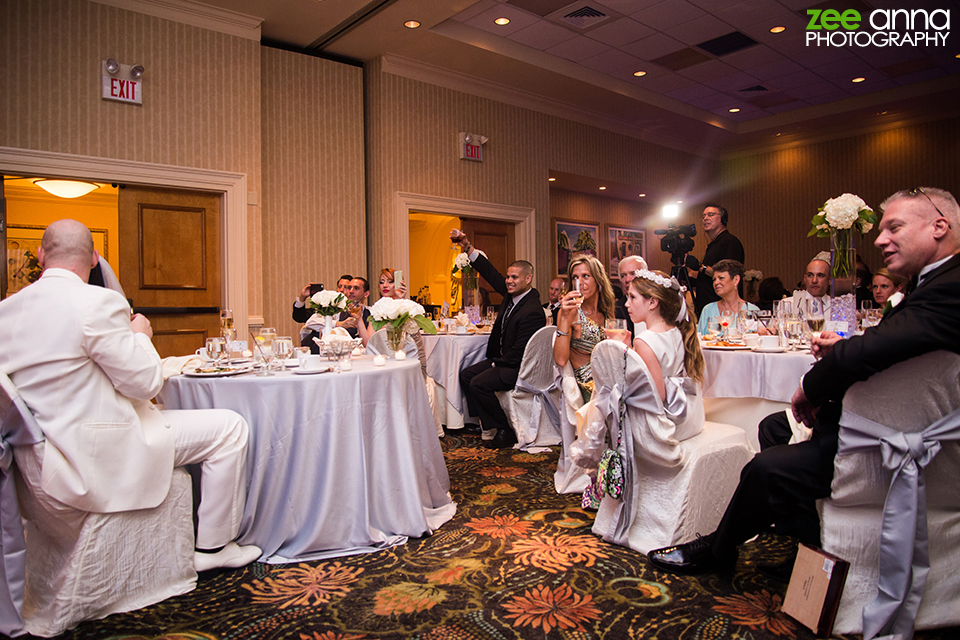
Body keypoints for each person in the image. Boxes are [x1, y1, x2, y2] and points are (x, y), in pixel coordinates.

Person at [647, 187, 960, 580]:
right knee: (774, 426)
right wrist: (845, 349)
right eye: (881, 230)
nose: (881, 240)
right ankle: (806, 543)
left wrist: (811, 387)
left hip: (898, 447)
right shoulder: (930, 282)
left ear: (939, 226)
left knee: (764, 468)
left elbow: (877, 350)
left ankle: (718, 549)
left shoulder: (950, 285)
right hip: (891, 421)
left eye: (894, 228)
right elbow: (896, 347)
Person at [0, 220, 261, 572]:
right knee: (230, 427)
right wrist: (140, 334)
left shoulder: (7, 310)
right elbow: (146, 384)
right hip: (96, 454)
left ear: (40, 254)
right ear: (94, 258)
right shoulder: (97, 303)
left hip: (38, 457)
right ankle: (215, 548)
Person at [452, 230, 546, 449]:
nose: (509, 281)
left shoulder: (532, 310)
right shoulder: (512, 295)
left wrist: (494, 364)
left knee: (478, 383)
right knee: (466, 375)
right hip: (503, 359)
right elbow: (490, 272)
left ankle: (506, 428)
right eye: (508, 277)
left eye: (514, 277)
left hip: (517, 366)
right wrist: (467, 247)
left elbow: (520, 354)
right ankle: (487, 422)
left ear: (528, 278)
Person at [553, 254, 616, 402]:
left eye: (586, 276)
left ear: (598, 280)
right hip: (587, 386)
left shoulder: (606, 311)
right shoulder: (570, 312)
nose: (580, 282)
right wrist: (562, 318)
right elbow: (560, 360)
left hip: (609, 378)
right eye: (575, 277)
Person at [689, 204, 745, 317]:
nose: (705, 218)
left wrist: (700, 267)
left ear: (722, 219)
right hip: (707, 307)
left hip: (724, 310)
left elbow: (727, 274)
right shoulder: (713, 244)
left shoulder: (730, 242)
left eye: (711, 215)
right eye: (704, 216)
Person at [696, 260, 759, 336]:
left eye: (721, 278)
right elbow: (698, 340)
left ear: (736, 279)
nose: (716, 283)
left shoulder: (752, 310)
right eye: (714, 279)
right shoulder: (708, 309)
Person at [292, 274, 354, 350]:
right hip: (317, 348)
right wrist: (302, 298)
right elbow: (305, 320)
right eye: (339, 286)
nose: (341, 290)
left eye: (346, 287)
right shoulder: (326, 305)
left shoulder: (354, 310)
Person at [614, 255, 648, 341]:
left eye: (633, 274)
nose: (627, 279)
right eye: (623, 276)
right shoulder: (616, 308)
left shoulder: (657, 303)